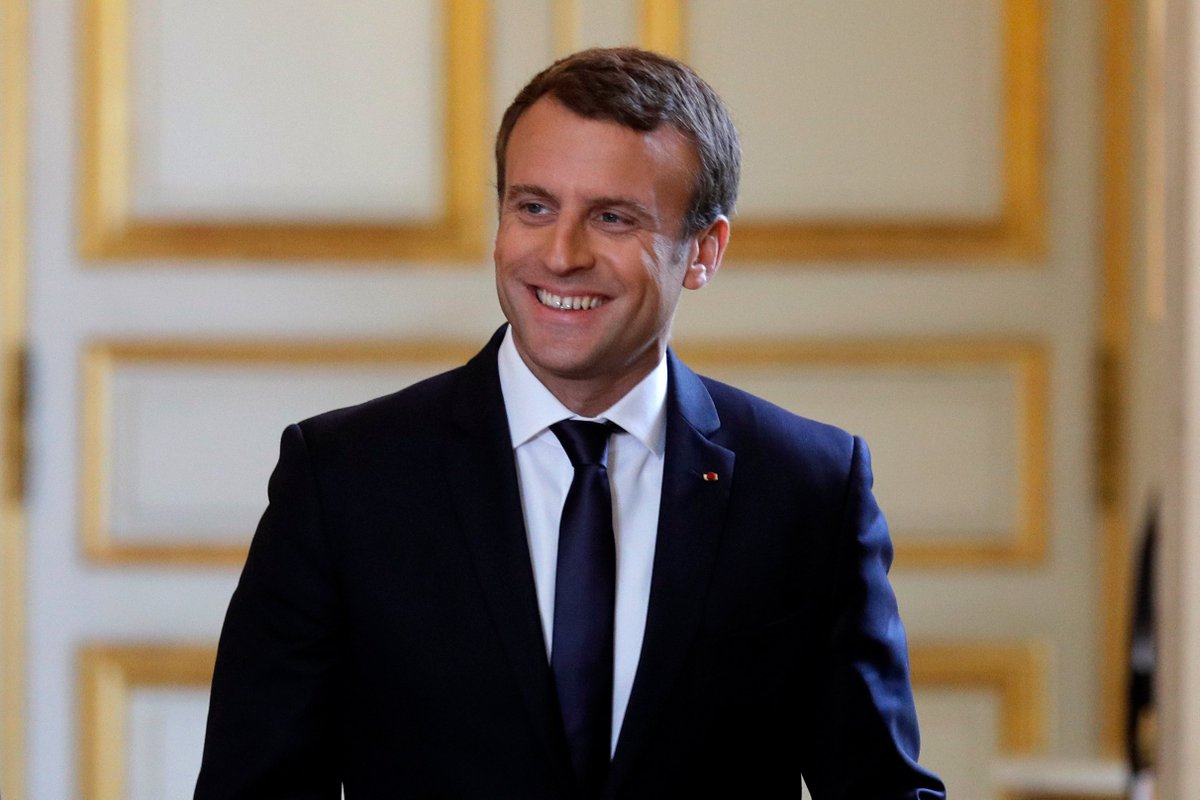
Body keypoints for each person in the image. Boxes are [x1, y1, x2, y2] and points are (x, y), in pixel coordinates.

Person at [195, 47, 946, 799]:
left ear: (704, 252)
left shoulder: (808, 489)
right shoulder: (344, 480)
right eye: (534, 207)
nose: (560, 255)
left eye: (612, 218)